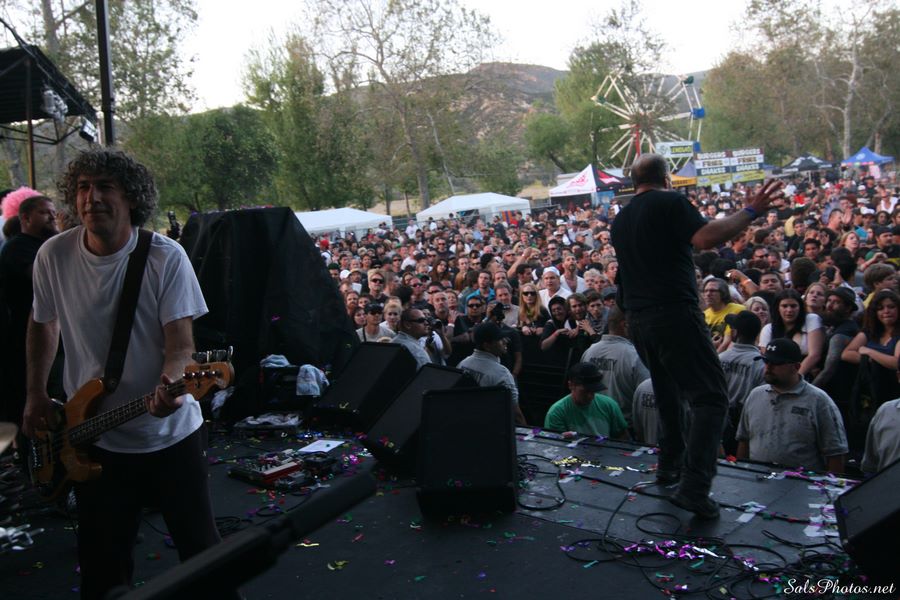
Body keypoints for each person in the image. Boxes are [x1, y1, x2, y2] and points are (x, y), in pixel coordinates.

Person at [23, 149, 225, 600]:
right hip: (93, 439)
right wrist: (35, 393)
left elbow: (181, 345)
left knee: (204, 556)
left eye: (105, 187)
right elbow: (42, 323)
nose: (91, 197)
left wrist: (171, 385)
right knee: (102, 569)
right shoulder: (53, 255)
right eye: (83, 187)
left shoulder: (166, 257)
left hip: (170, 436)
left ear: (131, 198)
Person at [611, 152, 784, 519]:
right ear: (666, 179)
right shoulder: (670, 201)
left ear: (633, 181)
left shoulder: (621, 218)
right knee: (711, 397)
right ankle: (694, 486)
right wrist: (750, 211)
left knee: (668, 392)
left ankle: (669, 466)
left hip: (638, 319)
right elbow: (705, 238)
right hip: (673, 313)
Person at [736, 339, 848, 473]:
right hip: (757, 479)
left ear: (796, 367)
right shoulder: (755, 395)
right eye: (766, 361)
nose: (768, 367)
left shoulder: (819, 401)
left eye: (776, 363)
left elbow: (835, 453)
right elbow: (744, 440)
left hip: (800, 483)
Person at [0, 192, 58, 427]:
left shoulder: (49, 246)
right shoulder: (17, 248)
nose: (52, 217)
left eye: (54, 213)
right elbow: (41, 277)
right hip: (24, 342)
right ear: (25, 218)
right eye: (44, 213)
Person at [580, 306, 649, 425]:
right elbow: (645, 397)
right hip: (624, 426)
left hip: (593, 424)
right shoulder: (635, 356)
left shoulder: (589, 352)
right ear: (625, 325)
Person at [457, 322, 526, 425]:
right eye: (500, 339)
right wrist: (532, 433)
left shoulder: (463, 364)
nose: (505, 341)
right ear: (487, 346)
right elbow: (516, 415)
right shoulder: (502, 374)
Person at [840, 289, 900, 406]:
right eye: (880, 308)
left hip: (894, 392)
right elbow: (846, 354)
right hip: (870, 390)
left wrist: (869, 352)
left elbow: (896, 363)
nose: (886, 311)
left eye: (891, 307)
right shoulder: (869, 332)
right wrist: (873, 360)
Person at [717, 311, 765, 455]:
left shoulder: (720, 358)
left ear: (735, 333)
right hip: (747, 425)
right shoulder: (761, 364)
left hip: (720, 421)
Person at [544, 362, 628, 439]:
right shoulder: (557, 412)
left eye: (593, 391)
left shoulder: (609, 405)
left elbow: (622, 437)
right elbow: (553, 444)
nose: (590, 396)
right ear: (571, 385)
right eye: (585, 391)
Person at [758, 289, 824, 378]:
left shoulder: (811, 319)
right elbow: (768, 360)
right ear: (778, 308)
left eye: (793, 306)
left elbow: (814, 355)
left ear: (800, 307)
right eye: (784, 306)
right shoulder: (768, 329)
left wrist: (795, 378)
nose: (789, 310)